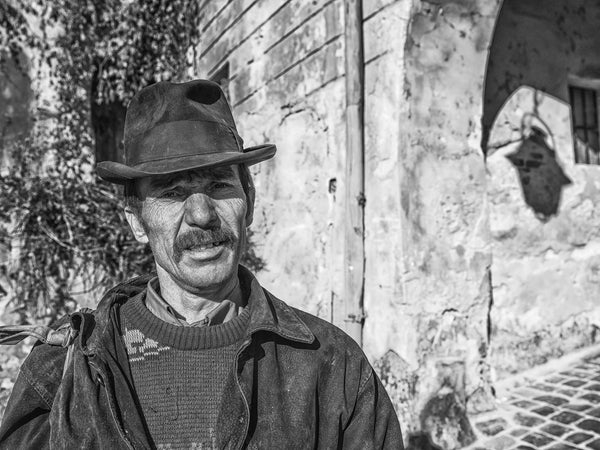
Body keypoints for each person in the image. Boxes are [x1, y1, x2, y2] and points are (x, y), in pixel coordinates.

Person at [0, 80, 403, 449]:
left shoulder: (332, 367)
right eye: (172, 192)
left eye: (218, 185)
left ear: (249, 201)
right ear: (136, 221)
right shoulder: (68, 371)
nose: (201, 214)